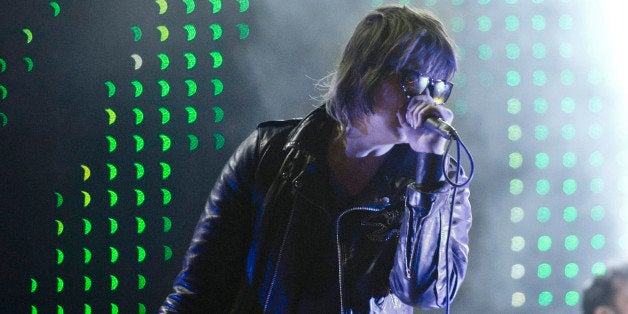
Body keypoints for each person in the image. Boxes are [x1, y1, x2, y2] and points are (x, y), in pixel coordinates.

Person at [160, 5, 472, 313]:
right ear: (367, 70)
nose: (426, 99)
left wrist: (429, 169)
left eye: (438, 86)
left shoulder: (440, 180)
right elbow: (198, 290)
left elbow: (427, 291)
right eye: (414, 78)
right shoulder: (270, 153)